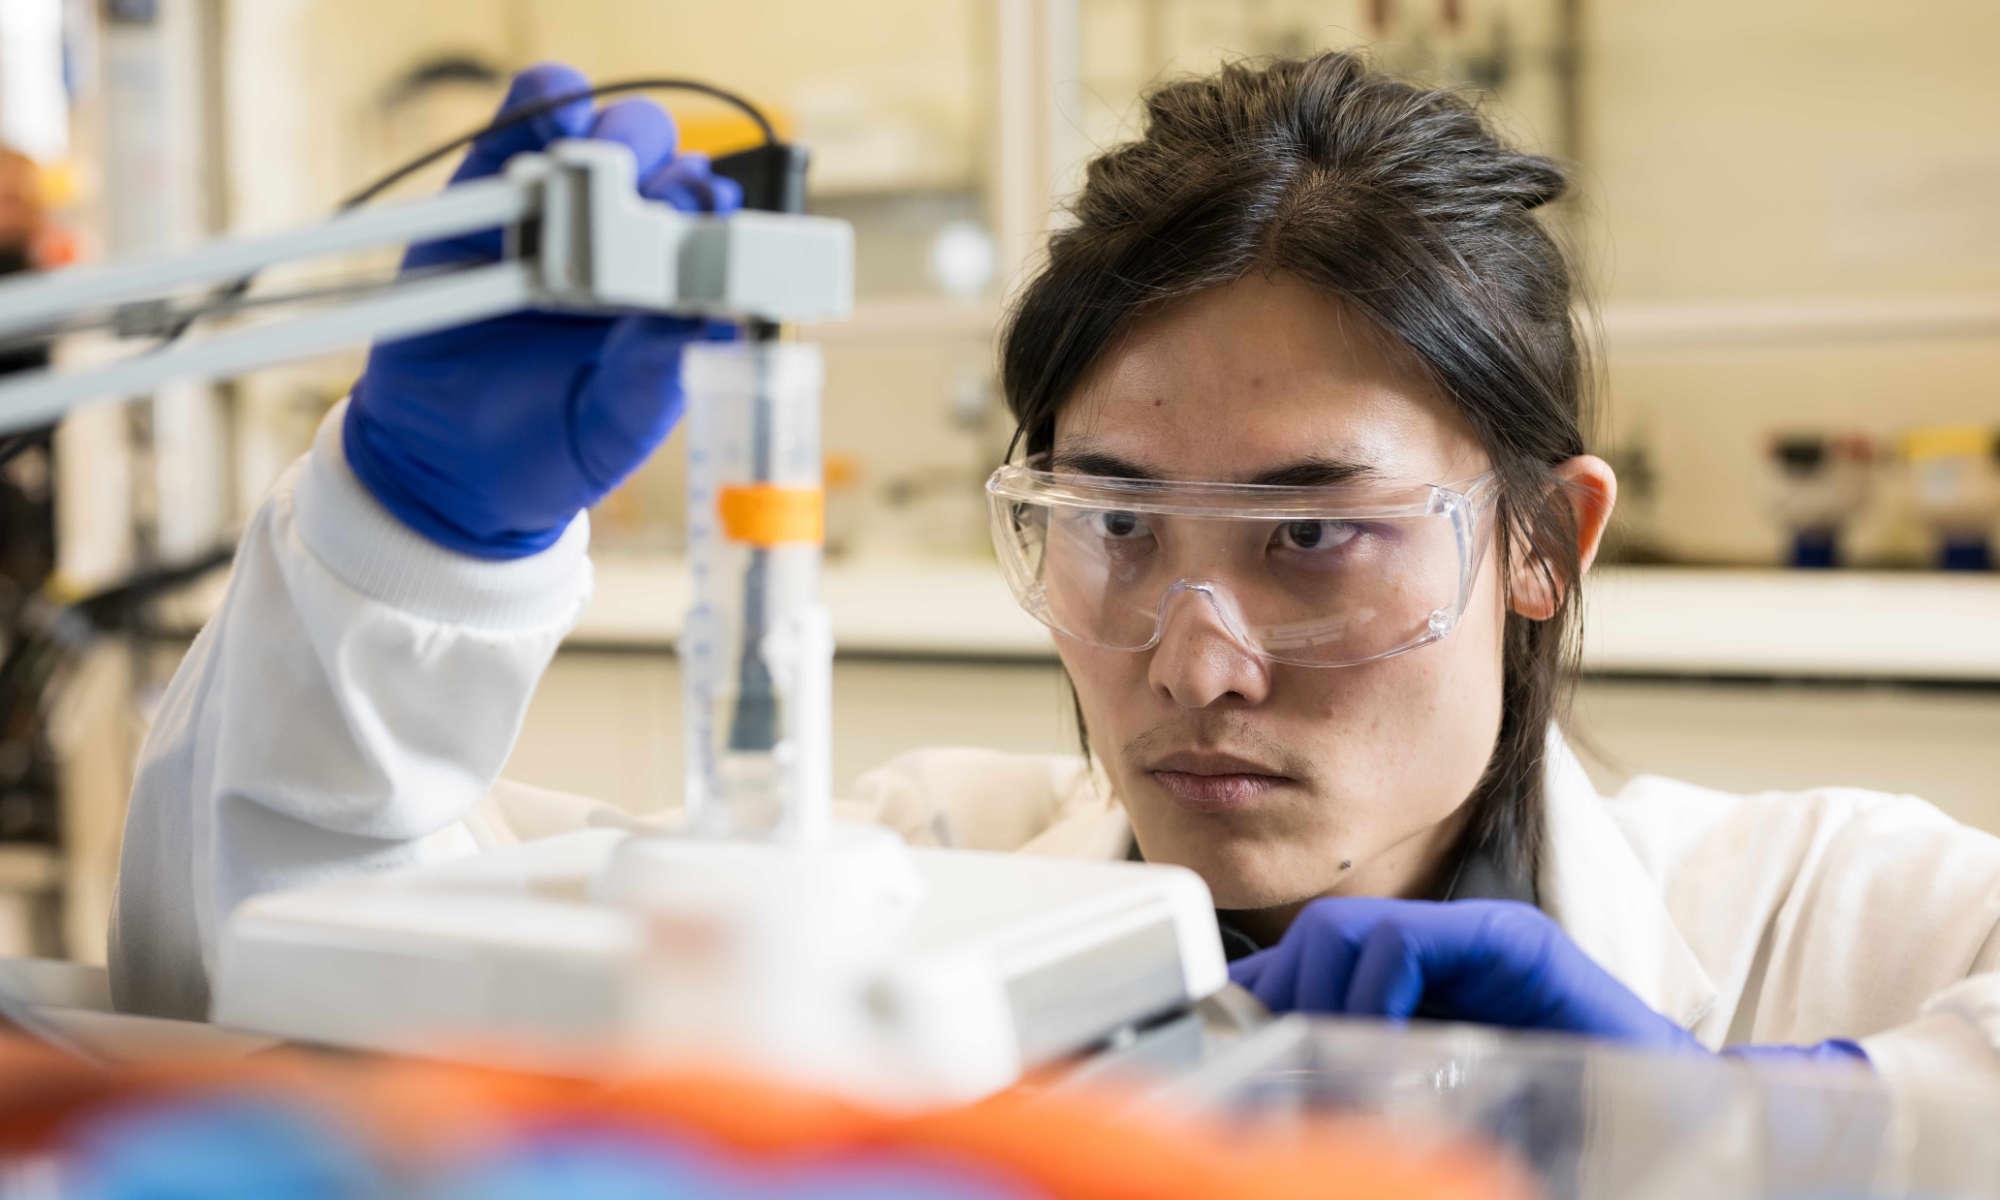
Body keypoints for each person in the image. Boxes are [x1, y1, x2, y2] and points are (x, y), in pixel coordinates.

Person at [110, 58, 2000, 1097]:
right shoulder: (922, 883)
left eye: (1310, 536)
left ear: (1539, 543)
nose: (1197, 666)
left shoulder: (1816, 923)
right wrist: (417, 527)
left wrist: (1777, 1125)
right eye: (1111, 525)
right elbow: (267, 987)